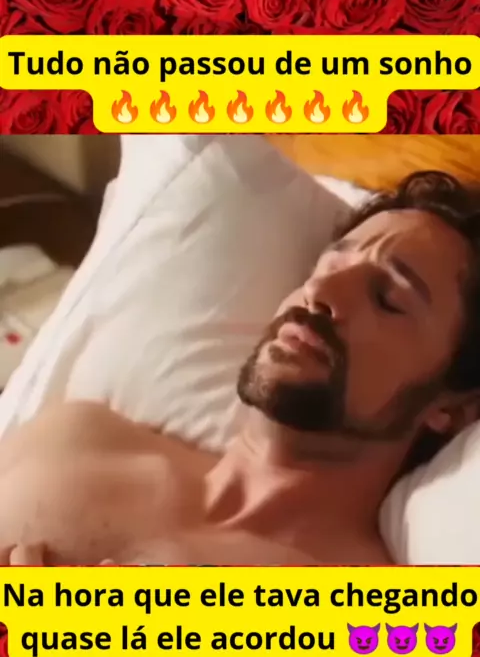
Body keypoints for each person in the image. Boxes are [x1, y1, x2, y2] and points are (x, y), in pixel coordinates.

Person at [1, 170, 479, 567]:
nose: (320, 293)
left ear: (452, 408)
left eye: (388, 299)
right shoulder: (75, 440)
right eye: (328, 266)